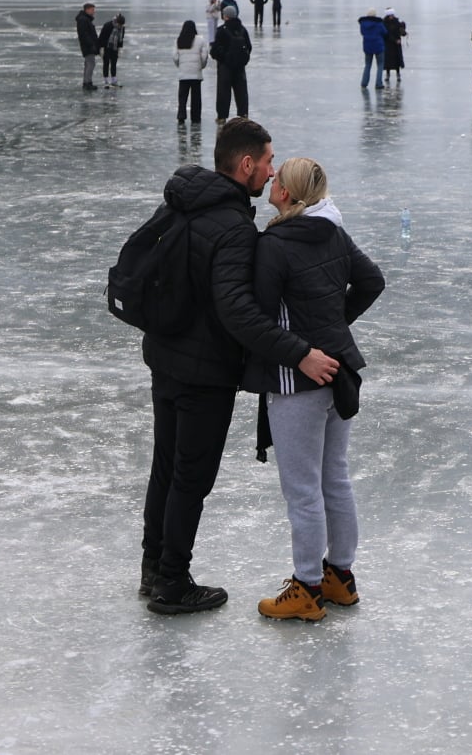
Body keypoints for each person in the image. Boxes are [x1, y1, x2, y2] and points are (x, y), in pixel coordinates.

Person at [139, 119, 341, 615]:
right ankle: (172, 582)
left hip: (164, 357)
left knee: (166, 465)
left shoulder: (183, 202)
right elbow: (238, 311)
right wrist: (299, 352)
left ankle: (153, 568)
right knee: (191, 476)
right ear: (246, 165)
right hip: (203, 371)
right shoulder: (232, 227)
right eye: (268, 161)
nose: (273, 171)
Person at [244, 157, 385, 622]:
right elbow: (371, 280)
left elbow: (261, 314)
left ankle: (306, 586)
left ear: (286, 194)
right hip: (338, 371)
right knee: (335, 477)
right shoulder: (334, 231)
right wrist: (333, 324)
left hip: (296, 379)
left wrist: (305, 342)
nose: (271, 182)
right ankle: (339, 577)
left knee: (302, 489)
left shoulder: (275, 243)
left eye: (277, 179)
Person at [211, 5, 251, 122]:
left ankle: (222, 116)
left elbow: (215, 50)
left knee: (223, 92)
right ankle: (243, 115)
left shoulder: (221, 30)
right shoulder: (243, 30)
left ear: (226, 16)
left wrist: (222, 57)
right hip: (240, 67)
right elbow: (249, 46)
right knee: (241, 92)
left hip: (225, 67)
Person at [174, 19, 206, 124]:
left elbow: (175, 56)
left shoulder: (179, 40)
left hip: (183, 74)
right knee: (196, 97)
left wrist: (180, 65)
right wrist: (201, 66)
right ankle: (195, 117)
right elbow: (204, 56)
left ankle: (181, 115)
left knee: (182, 96)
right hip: (196, 74)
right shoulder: (200, 40)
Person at [358, 8, 388, 88]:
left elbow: (362, 33)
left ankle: (364, 83)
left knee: (367, 65)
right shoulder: (378, 23)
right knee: (380, 65)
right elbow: (385, 32)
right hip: (378, 46)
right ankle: (378, 83)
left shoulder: (363, 24)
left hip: (367, 46)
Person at [381, 7, 407, 87]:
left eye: (392, 15)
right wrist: (395, 40)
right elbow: (386, 34)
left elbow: (403, 33)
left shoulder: (397, 22)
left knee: (397, 60)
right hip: (388, 44)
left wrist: (403, 27)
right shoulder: (384, 23)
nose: (391, 16)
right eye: (390, 15)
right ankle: (387, 75)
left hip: (395, 45)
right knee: (388, 60)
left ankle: (398, 74)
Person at [76, 2, 99, 90]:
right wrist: (91, 44)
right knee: (90, 63)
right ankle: (87, 82)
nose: (94, 12)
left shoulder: (85, 19)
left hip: (88, 45)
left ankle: (87, 82)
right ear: (87, 10)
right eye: (92, 10)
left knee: (88, 63)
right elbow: (84, 34)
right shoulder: (83, 20)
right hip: (87, 46)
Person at [99, 14, 126, 88]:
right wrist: (101, 48)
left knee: (114, 63)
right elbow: (102, 37)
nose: (120, 26)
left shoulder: (122, 28)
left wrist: (120, 48)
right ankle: (106, 80)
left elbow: (121, 39)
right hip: (106, 47)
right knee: (106, 63)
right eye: (119, 24)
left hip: (115, 48)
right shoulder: (108, 25)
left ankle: (114, 80)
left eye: (121, 24)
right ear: (116, 21)